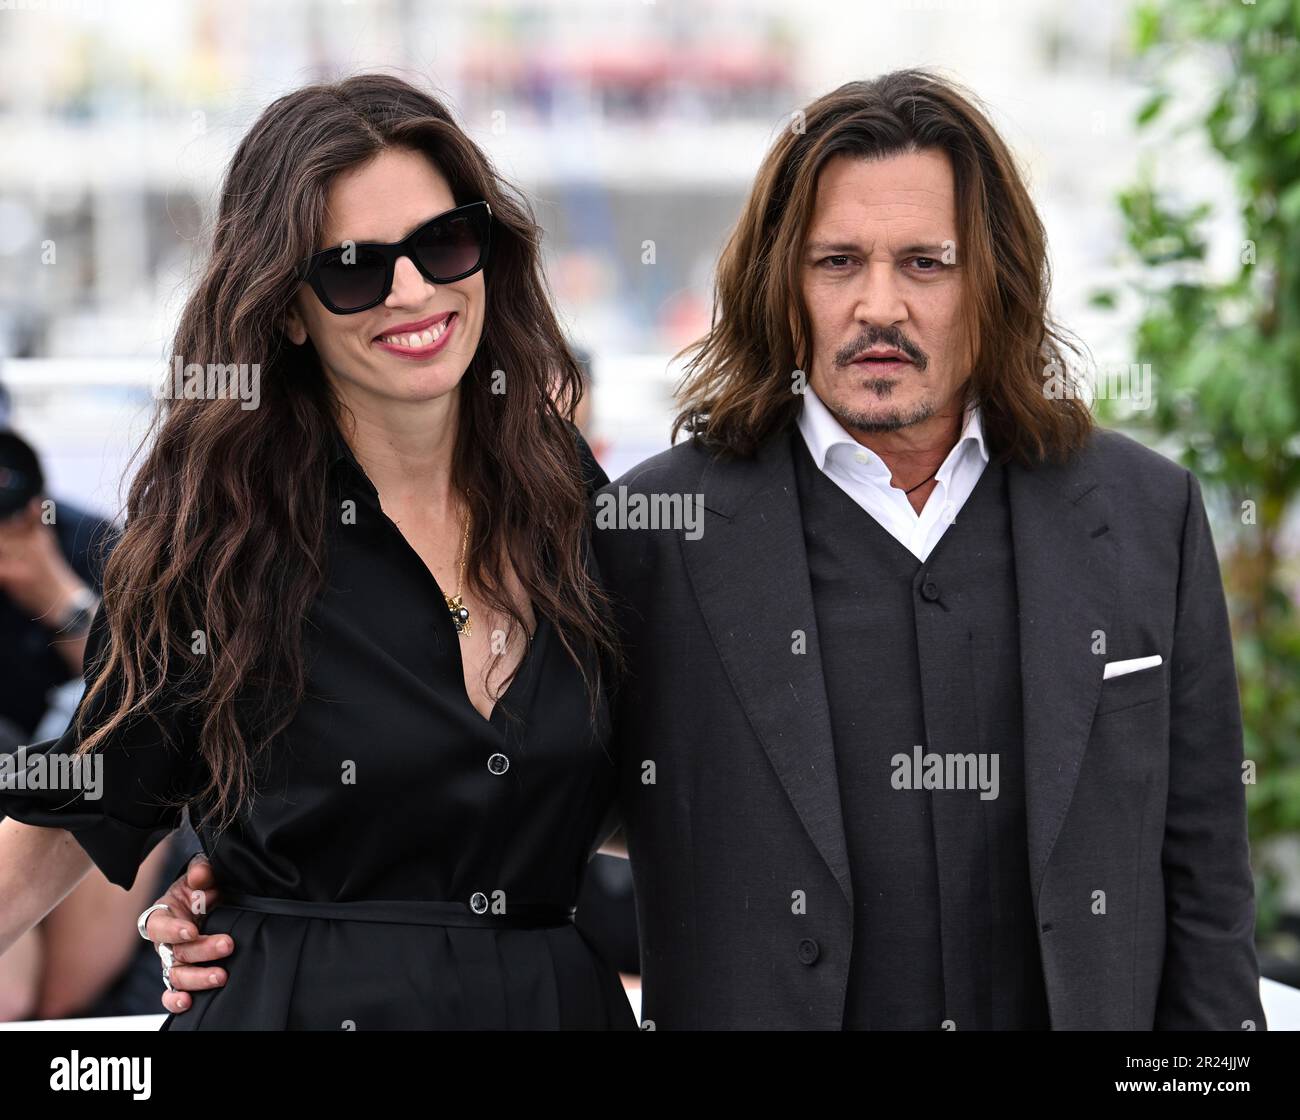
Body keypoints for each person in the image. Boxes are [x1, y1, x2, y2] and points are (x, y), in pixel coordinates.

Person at [149, 69, 1265, 1031]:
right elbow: (510, 783)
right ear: (785, 279)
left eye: (926, 262)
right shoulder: (646, 531)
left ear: (997, 278)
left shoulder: (1141, 512)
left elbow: (1204, 880)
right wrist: (248, 902)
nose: (880, 305)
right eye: (837, 263)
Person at [0, 73, 634, 1030]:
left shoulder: (573, 505)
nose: (412, 289)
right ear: (289, 309)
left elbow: (641, 795)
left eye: (443, 242)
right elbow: (89, 790)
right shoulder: (225, 540)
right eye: (352, 265)